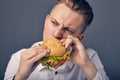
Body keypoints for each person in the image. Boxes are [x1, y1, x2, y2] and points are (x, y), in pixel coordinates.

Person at [4, 0, 109, 80]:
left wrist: (86, 65)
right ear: (46, 21)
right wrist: (20, 77)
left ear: (79, 38)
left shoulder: (90, 58)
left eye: (68, 29)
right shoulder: (19, 59)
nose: (56, 34)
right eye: (54, 23)